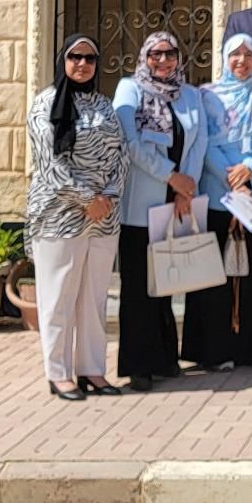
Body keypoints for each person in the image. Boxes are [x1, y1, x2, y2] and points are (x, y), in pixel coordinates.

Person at [181, 33, 252, 372]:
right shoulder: (208, 95)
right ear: (225, 58)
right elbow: (203, 141)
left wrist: (251, 169)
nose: (241, 61)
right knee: (217, 279)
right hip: (222, 196)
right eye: (235, 54)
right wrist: (233, 178)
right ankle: (217, 351)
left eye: (248, 54)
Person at [25, 34, 126, 400]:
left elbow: (121, 155)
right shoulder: (45, 104)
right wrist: (86, 199)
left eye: (90, 58)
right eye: (75, 57)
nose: (82, 64)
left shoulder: (104, 105)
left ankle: (91, 369)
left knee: (94, 298)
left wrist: (108, 196)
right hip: (59, 216)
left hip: (103, 218)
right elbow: (49, 165)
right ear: (63, 61)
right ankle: (58, 373)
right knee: (58, 298)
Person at [113, 32, 208, 392]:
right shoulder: (130, 90)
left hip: (178, 201)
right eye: (155, 54)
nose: (163, 61)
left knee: (167, 282)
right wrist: (171, 176)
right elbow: (131, 143)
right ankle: (138, 366)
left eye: (170, 54)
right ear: (144, 57)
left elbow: (199, 143)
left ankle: (165, 358)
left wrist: (186, 188)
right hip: (141, 204)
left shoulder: (191, 95)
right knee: (138, 288)